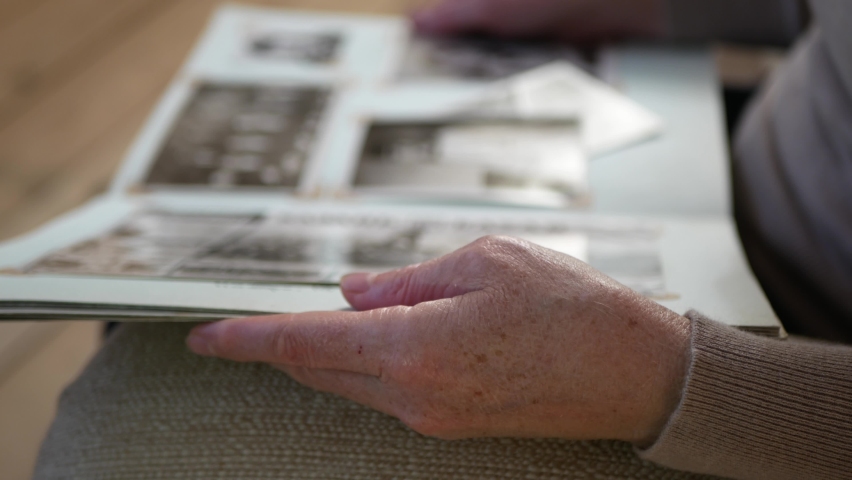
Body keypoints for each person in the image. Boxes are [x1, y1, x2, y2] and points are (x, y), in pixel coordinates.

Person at [34, 1, 851, 479]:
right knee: (152, 303)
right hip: (740, 152)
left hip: (790, 372)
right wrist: (645, 7)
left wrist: (674, 383)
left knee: (117, 434)